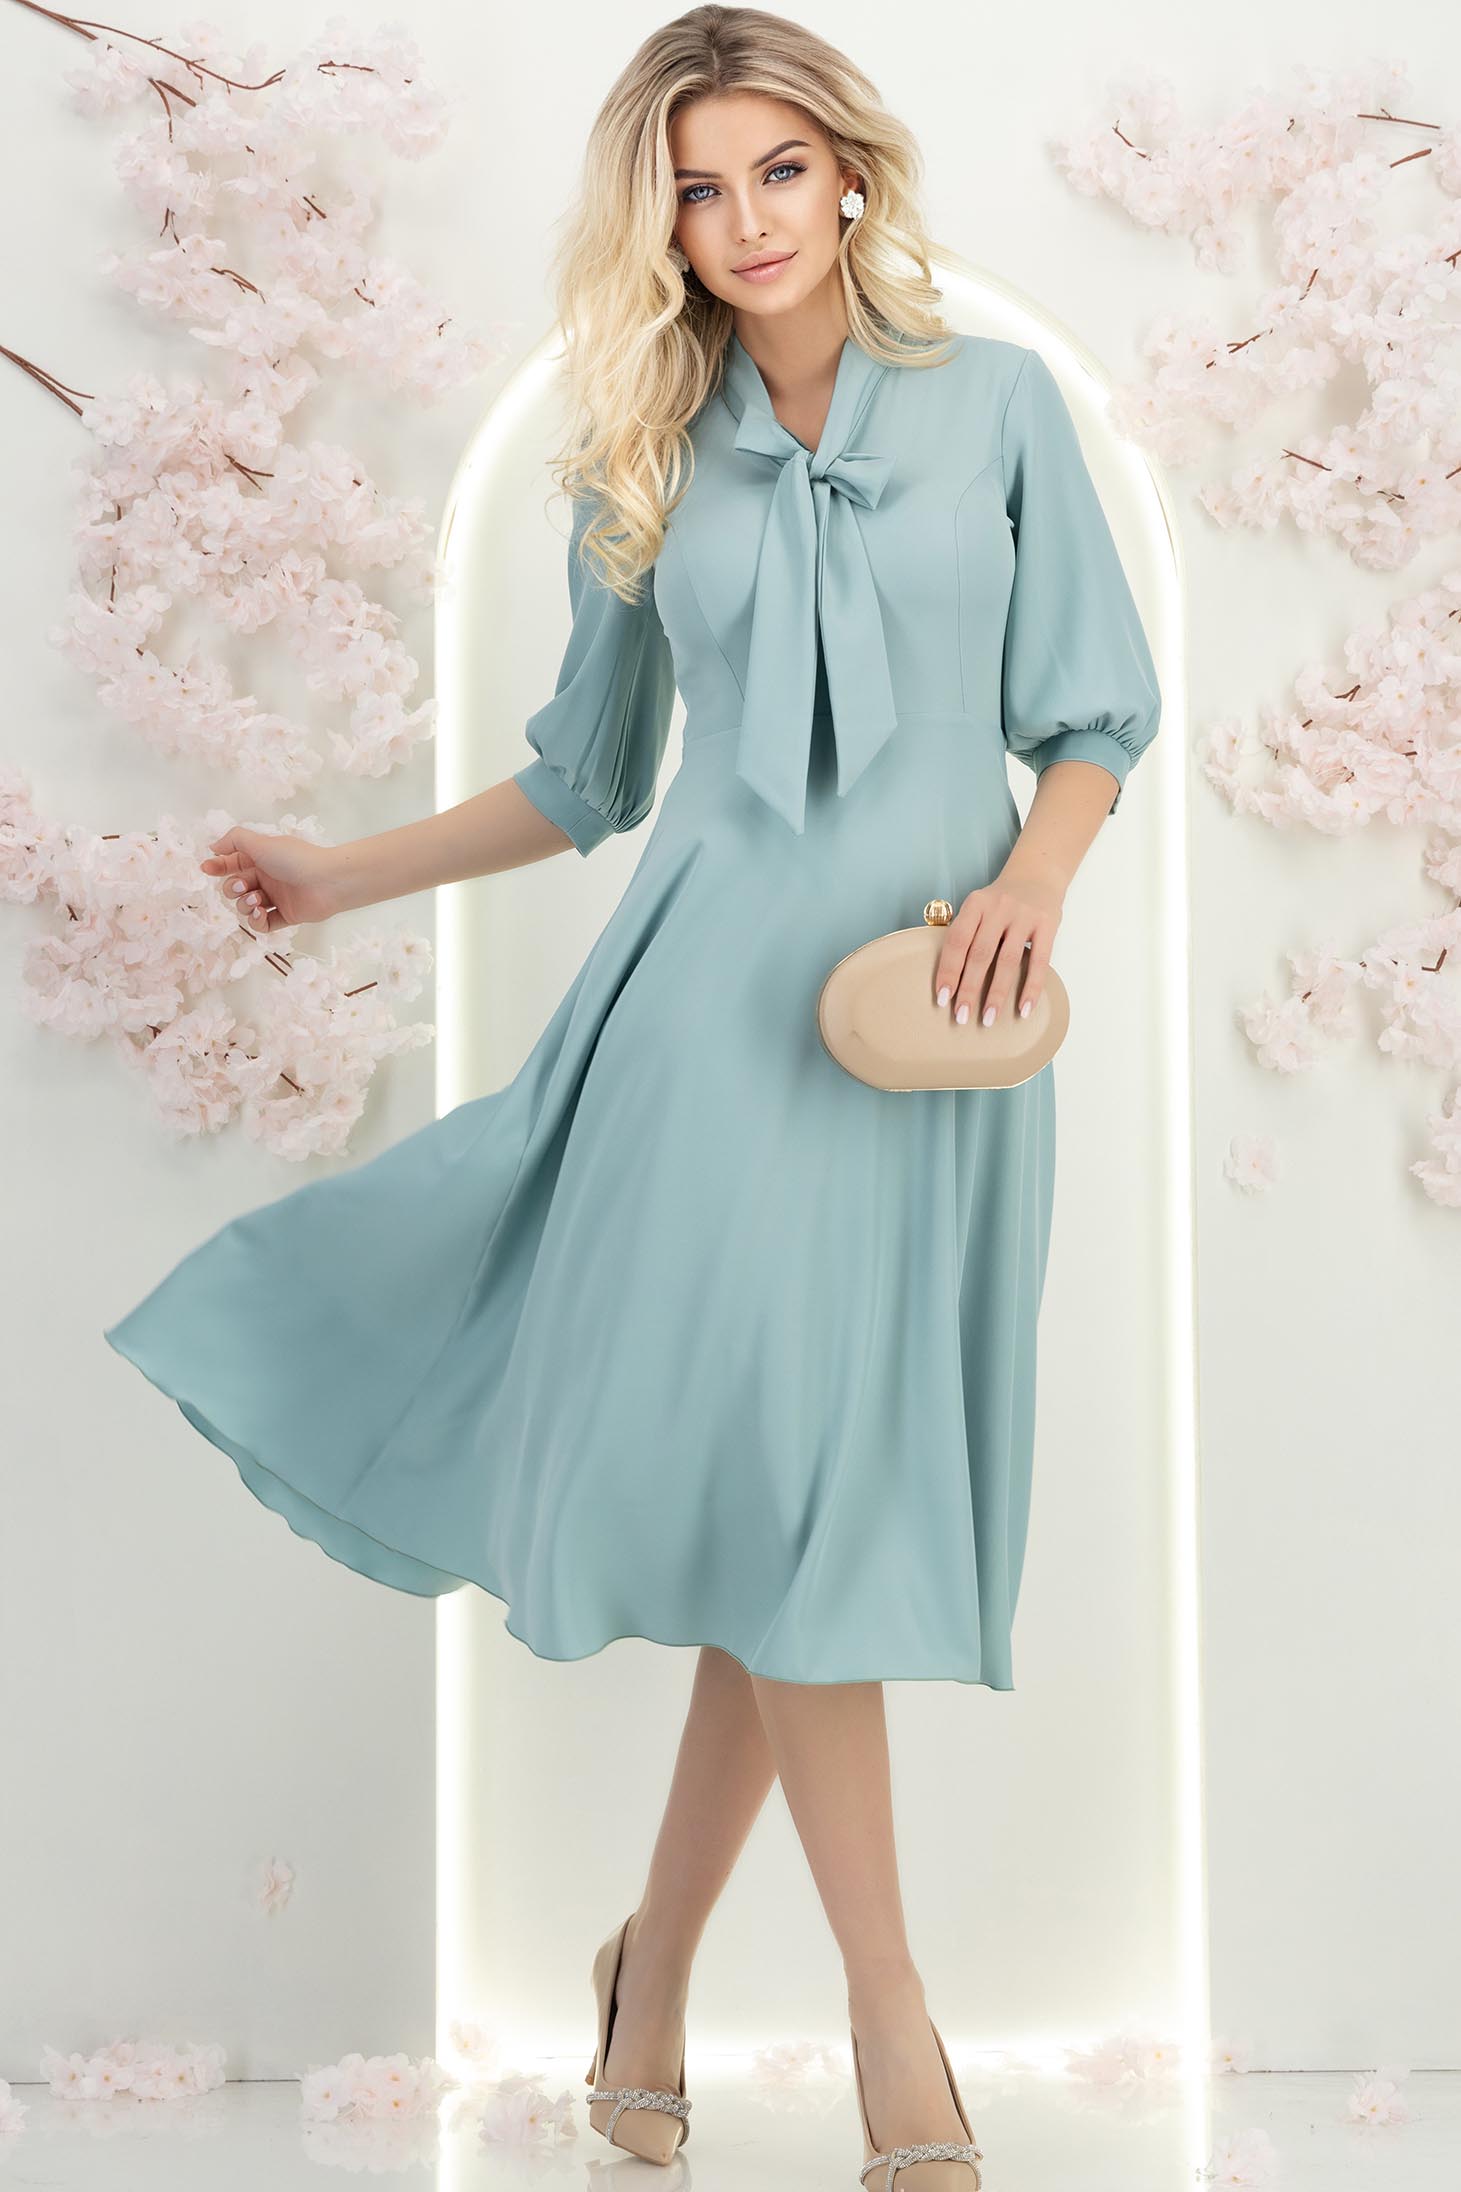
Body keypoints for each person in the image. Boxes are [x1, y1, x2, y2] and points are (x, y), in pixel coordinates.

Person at [104, 7, 1162, 2185]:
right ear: (656, 222)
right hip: (704, 1029)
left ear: (847, 174)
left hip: (930, 1016)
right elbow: (586, 778)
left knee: (800, 1526)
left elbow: (1090, 712)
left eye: (774, 169)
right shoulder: (644, 445)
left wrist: (1034, 886)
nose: (742, 218)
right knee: (794, 1504)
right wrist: (338, 873)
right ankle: (891, 2021)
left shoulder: (999, 408)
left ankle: (647, 1971)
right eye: (694, 187)